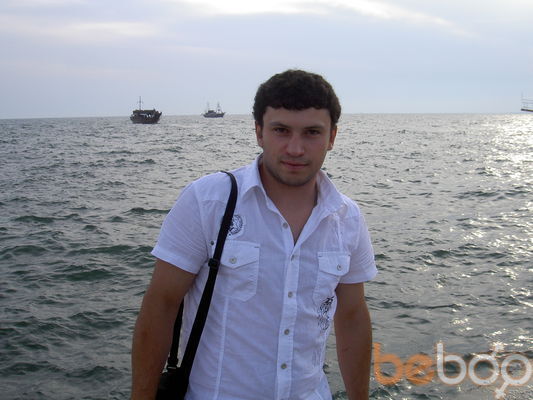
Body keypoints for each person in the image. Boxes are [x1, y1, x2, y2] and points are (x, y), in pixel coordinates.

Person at [131, 69, 377, 399]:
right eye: (281, 130)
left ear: (332, 137)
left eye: (312, 133)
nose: (295, 148)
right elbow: (162, 304)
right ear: (259, 132)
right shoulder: (208, 201)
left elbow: (351, 315)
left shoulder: (347, 218)